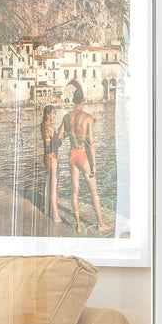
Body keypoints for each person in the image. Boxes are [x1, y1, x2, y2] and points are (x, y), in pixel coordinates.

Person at [62, 86, 106, 233]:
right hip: (83, 155)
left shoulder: (66, 117)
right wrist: (94, 165)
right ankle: (100, 224)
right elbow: (92, 143)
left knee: (75, 192)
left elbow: (61, 136)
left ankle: (79, 224)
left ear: (73, 100)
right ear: (83, 100)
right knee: (94, 192)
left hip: (72, 154)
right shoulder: (88, 118)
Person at [40, 104, 62, 226]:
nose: (54, 115)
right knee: (53, 187)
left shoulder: (43, 126)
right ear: (48, 114)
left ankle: (46, 209)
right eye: (53, 113)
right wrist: (60, 137)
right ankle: (55, 215)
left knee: (47, 182)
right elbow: (57, 144)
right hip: (52, 157)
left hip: (45, 157)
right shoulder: (50, 128)